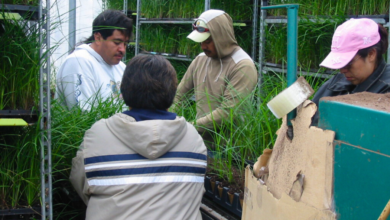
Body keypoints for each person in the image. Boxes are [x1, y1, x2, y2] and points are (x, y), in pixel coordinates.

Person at [69, 54, 207, 220]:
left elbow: (81, 184)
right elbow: (196, 192)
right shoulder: (193, 138)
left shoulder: (98, 135)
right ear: (172, 92)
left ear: (123, 91)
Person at [173, 9, 257, 146]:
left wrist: (187, 127)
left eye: (208, 41)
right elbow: (178, 96)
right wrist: (165, 120)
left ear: (221, 37)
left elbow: (227, 113)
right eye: (201, 41)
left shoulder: (242, 65)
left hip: (230, 150)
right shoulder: (200, 60)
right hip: (201, 142)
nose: (203, 46)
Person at [311, 18, 390, 126]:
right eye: (340, 64)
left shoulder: (386, 90)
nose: (342, 70)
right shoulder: (335, 84)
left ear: (371, 54)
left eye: (348, 63)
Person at [55, 9, 133, 110]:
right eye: (117, 42)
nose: (122, 49)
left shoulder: (121, 67)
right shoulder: (78, 62)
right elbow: (82, 117)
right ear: (98, 38)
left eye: (125, 44)